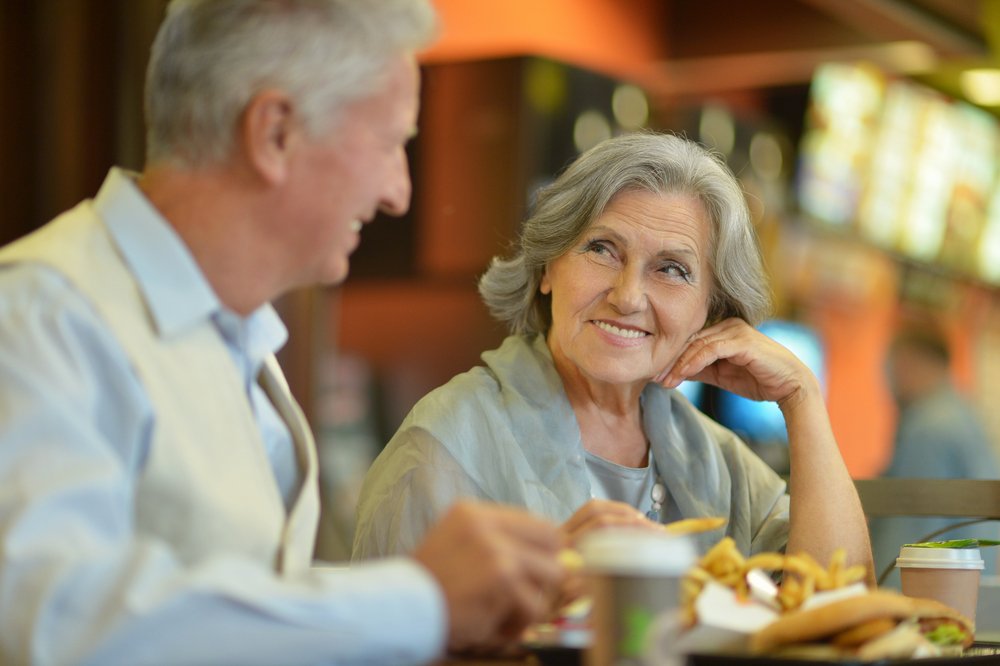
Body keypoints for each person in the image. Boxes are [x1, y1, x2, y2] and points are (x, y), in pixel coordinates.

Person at [0, 2, 567, 664]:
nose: (398, 193)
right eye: (390, 144)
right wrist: (419, 601)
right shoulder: (38, 316)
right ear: (275, 133)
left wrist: (451, 613)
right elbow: (50, 622)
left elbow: (237, 598)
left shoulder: (237, 336)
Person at [353, 132, 874, 581]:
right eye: (602, 249)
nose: (627, 296)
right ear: (547, 268)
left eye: (672, 269)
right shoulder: (447, 440)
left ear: (711, 314)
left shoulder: (719, 461)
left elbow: (838, 607)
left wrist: (802, 398)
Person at [871, 321, 1000, 585]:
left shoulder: (927, 429)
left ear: (908, 362)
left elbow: (909, 538)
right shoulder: (963, 413)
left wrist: (879, 594)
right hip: (974, 586)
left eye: (891, 367)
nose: (888, 380)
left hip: (931, 598)